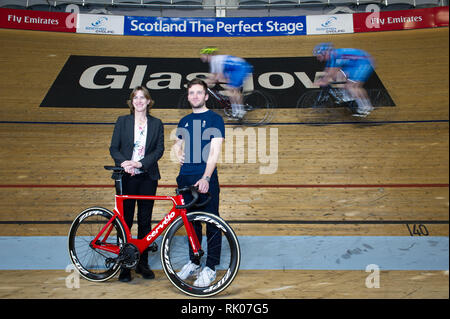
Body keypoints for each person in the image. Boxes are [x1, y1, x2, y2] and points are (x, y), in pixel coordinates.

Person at [172, 78, 225, 287]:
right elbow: (177, 143)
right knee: (191, 223)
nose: (195, 96)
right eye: (191, 93)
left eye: (199, 92)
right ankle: (194, 261)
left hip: (205, 179)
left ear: (205, 96)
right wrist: (178, 151)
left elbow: (215, 151)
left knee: (212, 223)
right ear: (188, 97)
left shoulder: (215, 119)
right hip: (185, 177)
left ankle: (210, 267)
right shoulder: (184, 121)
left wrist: (206, 177)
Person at [109, 86, 165, 282]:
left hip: (147, 177)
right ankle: (125, 265)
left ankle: (142, 263)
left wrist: (140, 163)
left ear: (149, 101)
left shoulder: (157, 123)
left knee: (144, 221)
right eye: (136, 98)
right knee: (125, 222)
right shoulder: (122, 121)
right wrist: (125, 163)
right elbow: (113, 148)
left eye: (143, 97)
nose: (139, 101)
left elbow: (159, 150)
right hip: (127, 177)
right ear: (132, 101)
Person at [313, 43, 375, 117]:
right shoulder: (331, 56)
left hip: (363, 62)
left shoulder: (334, 56)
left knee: (353, 86)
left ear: (325, 53)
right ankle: (347, 95)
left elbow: (332, 72)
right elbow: (327, 71)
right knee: (339, 76)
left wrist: (323, 81)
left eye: (319, 56)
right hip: (353, 64)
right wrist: (323, 79)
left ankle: (366, 107)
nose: (318, 59)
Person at [200, 46, 253, 119]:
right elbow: (213, 76)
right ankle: (236, 110)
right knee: (231, 89)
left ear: (208, 55)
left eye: (202, 55)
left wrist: (206, 83)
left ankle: (240, 111)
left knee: (231, 90)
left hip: (240, 68)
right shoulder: (214, 61)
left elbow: (217, 77)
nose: (201, 57)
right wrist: (204, 82)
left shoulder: (215, 61)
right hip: (235, 68)